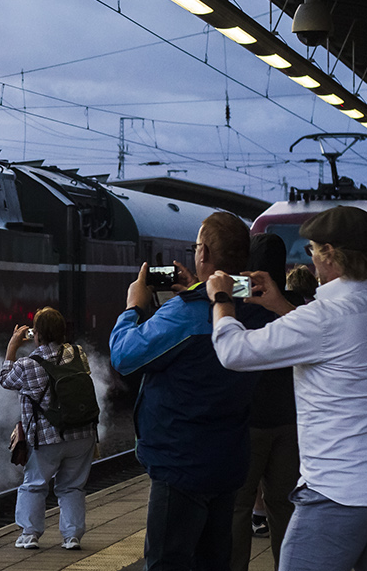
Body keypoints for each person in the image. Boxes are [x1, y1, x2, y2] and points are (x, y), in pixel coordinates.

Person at [205, 206, 367, 571]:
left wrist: (222, 300)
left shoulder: (321, 318)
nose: (313, 259)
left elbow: (233, 352)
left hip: (336, 497)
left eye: (313, 250)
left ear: (330, 254)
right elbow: (335, 345)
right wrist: (281, 305)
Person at [109, 211, 275, 570]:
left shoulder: (183, 316)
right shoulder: (258, 309)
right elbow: (224, 306)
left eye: (197, 246)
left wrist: (134, 306)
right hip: (228, 461)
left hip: (181, 463)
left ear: (203, 254)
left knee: (168, 561)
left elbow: (124, 356)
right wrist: (198, 291)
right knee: (214, 561)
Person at [1, 306, 98, 550]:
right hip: (82, 434)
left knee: (34, 484)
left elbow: (5, 380)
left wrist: (13, 345)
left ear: (37, 335)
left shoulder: (27, 364)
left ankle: (30, 534)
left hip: (46, 438)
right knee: (73, 486)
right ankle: (72, 536)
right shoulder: (78, 353)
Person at [230, 234, 300, 571]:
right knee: (285, 506)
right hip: (289, 420)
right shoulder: (296, 304)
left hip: (248, 422)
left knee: (239, 507)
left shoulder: (238, 305)